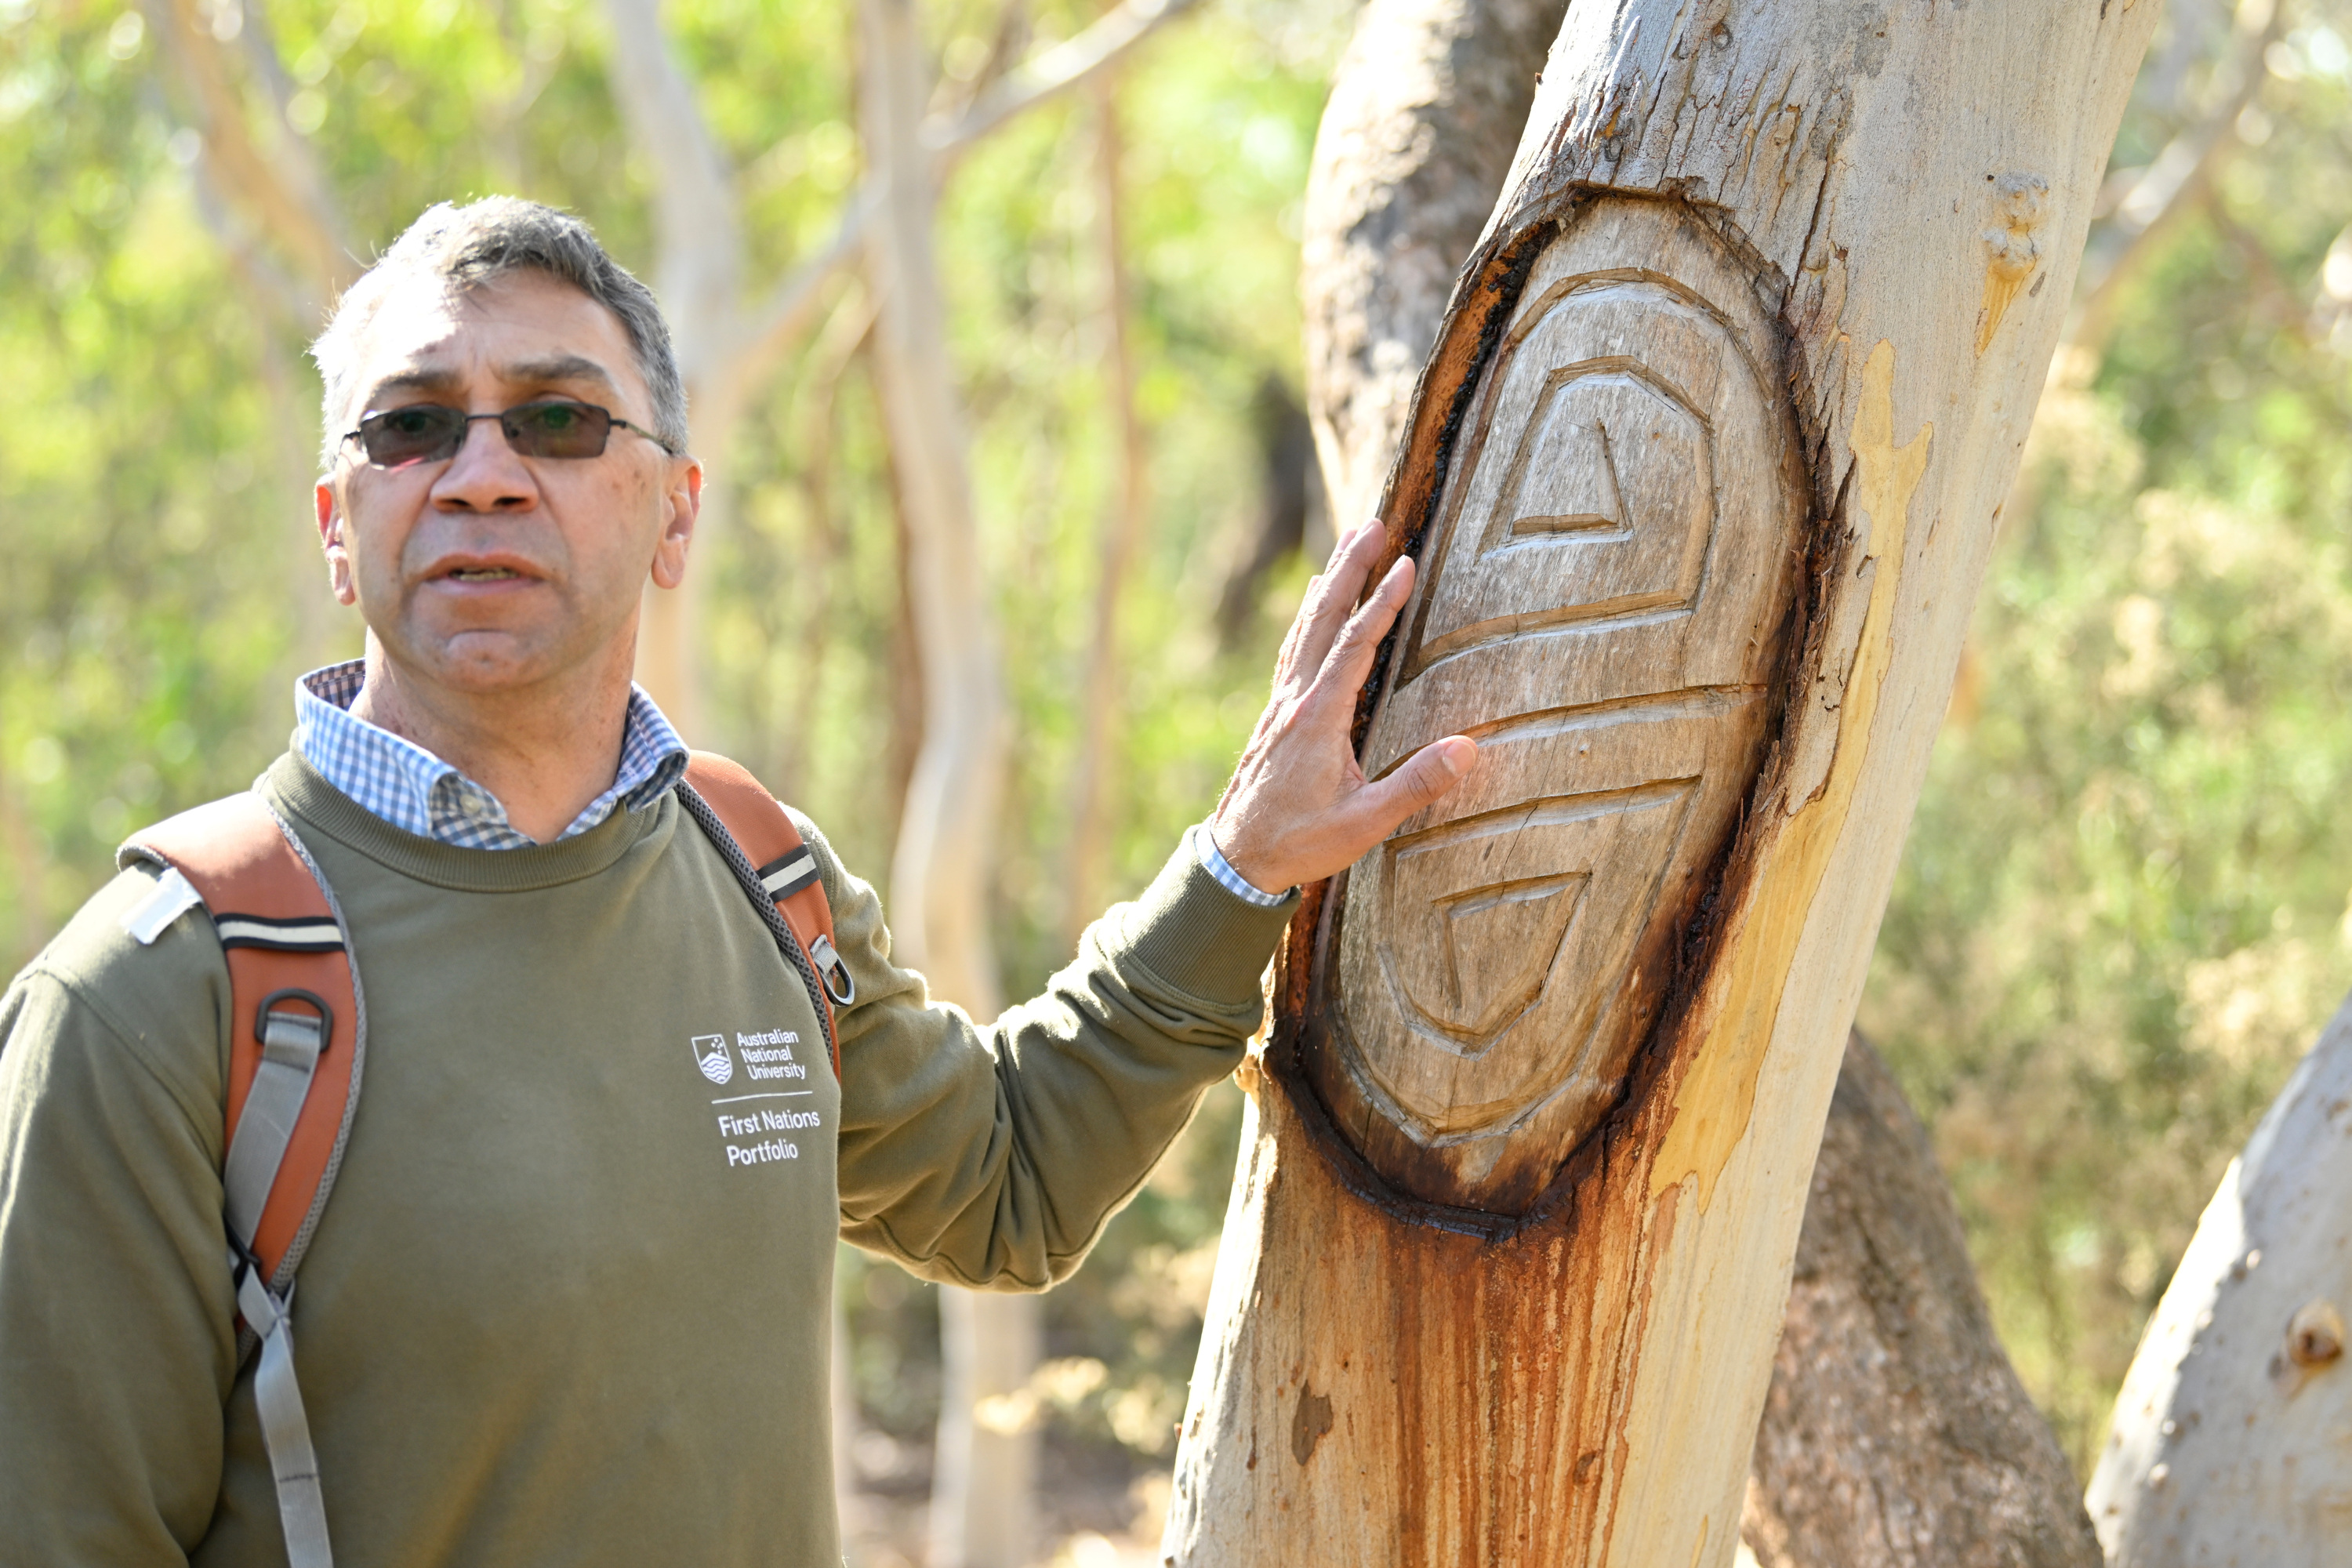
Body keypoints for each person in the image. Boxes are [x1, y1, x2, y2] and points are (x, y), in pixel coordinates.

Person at [0, 197, 1475, 1566]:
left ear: (676, 513)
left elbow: (1007, 1183)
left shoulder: (760, 879)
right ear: (341, 525)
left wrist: (1245, 867)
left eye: (562, 420)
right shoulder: (155, 999)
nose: (484, 476)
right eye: (412, 427)